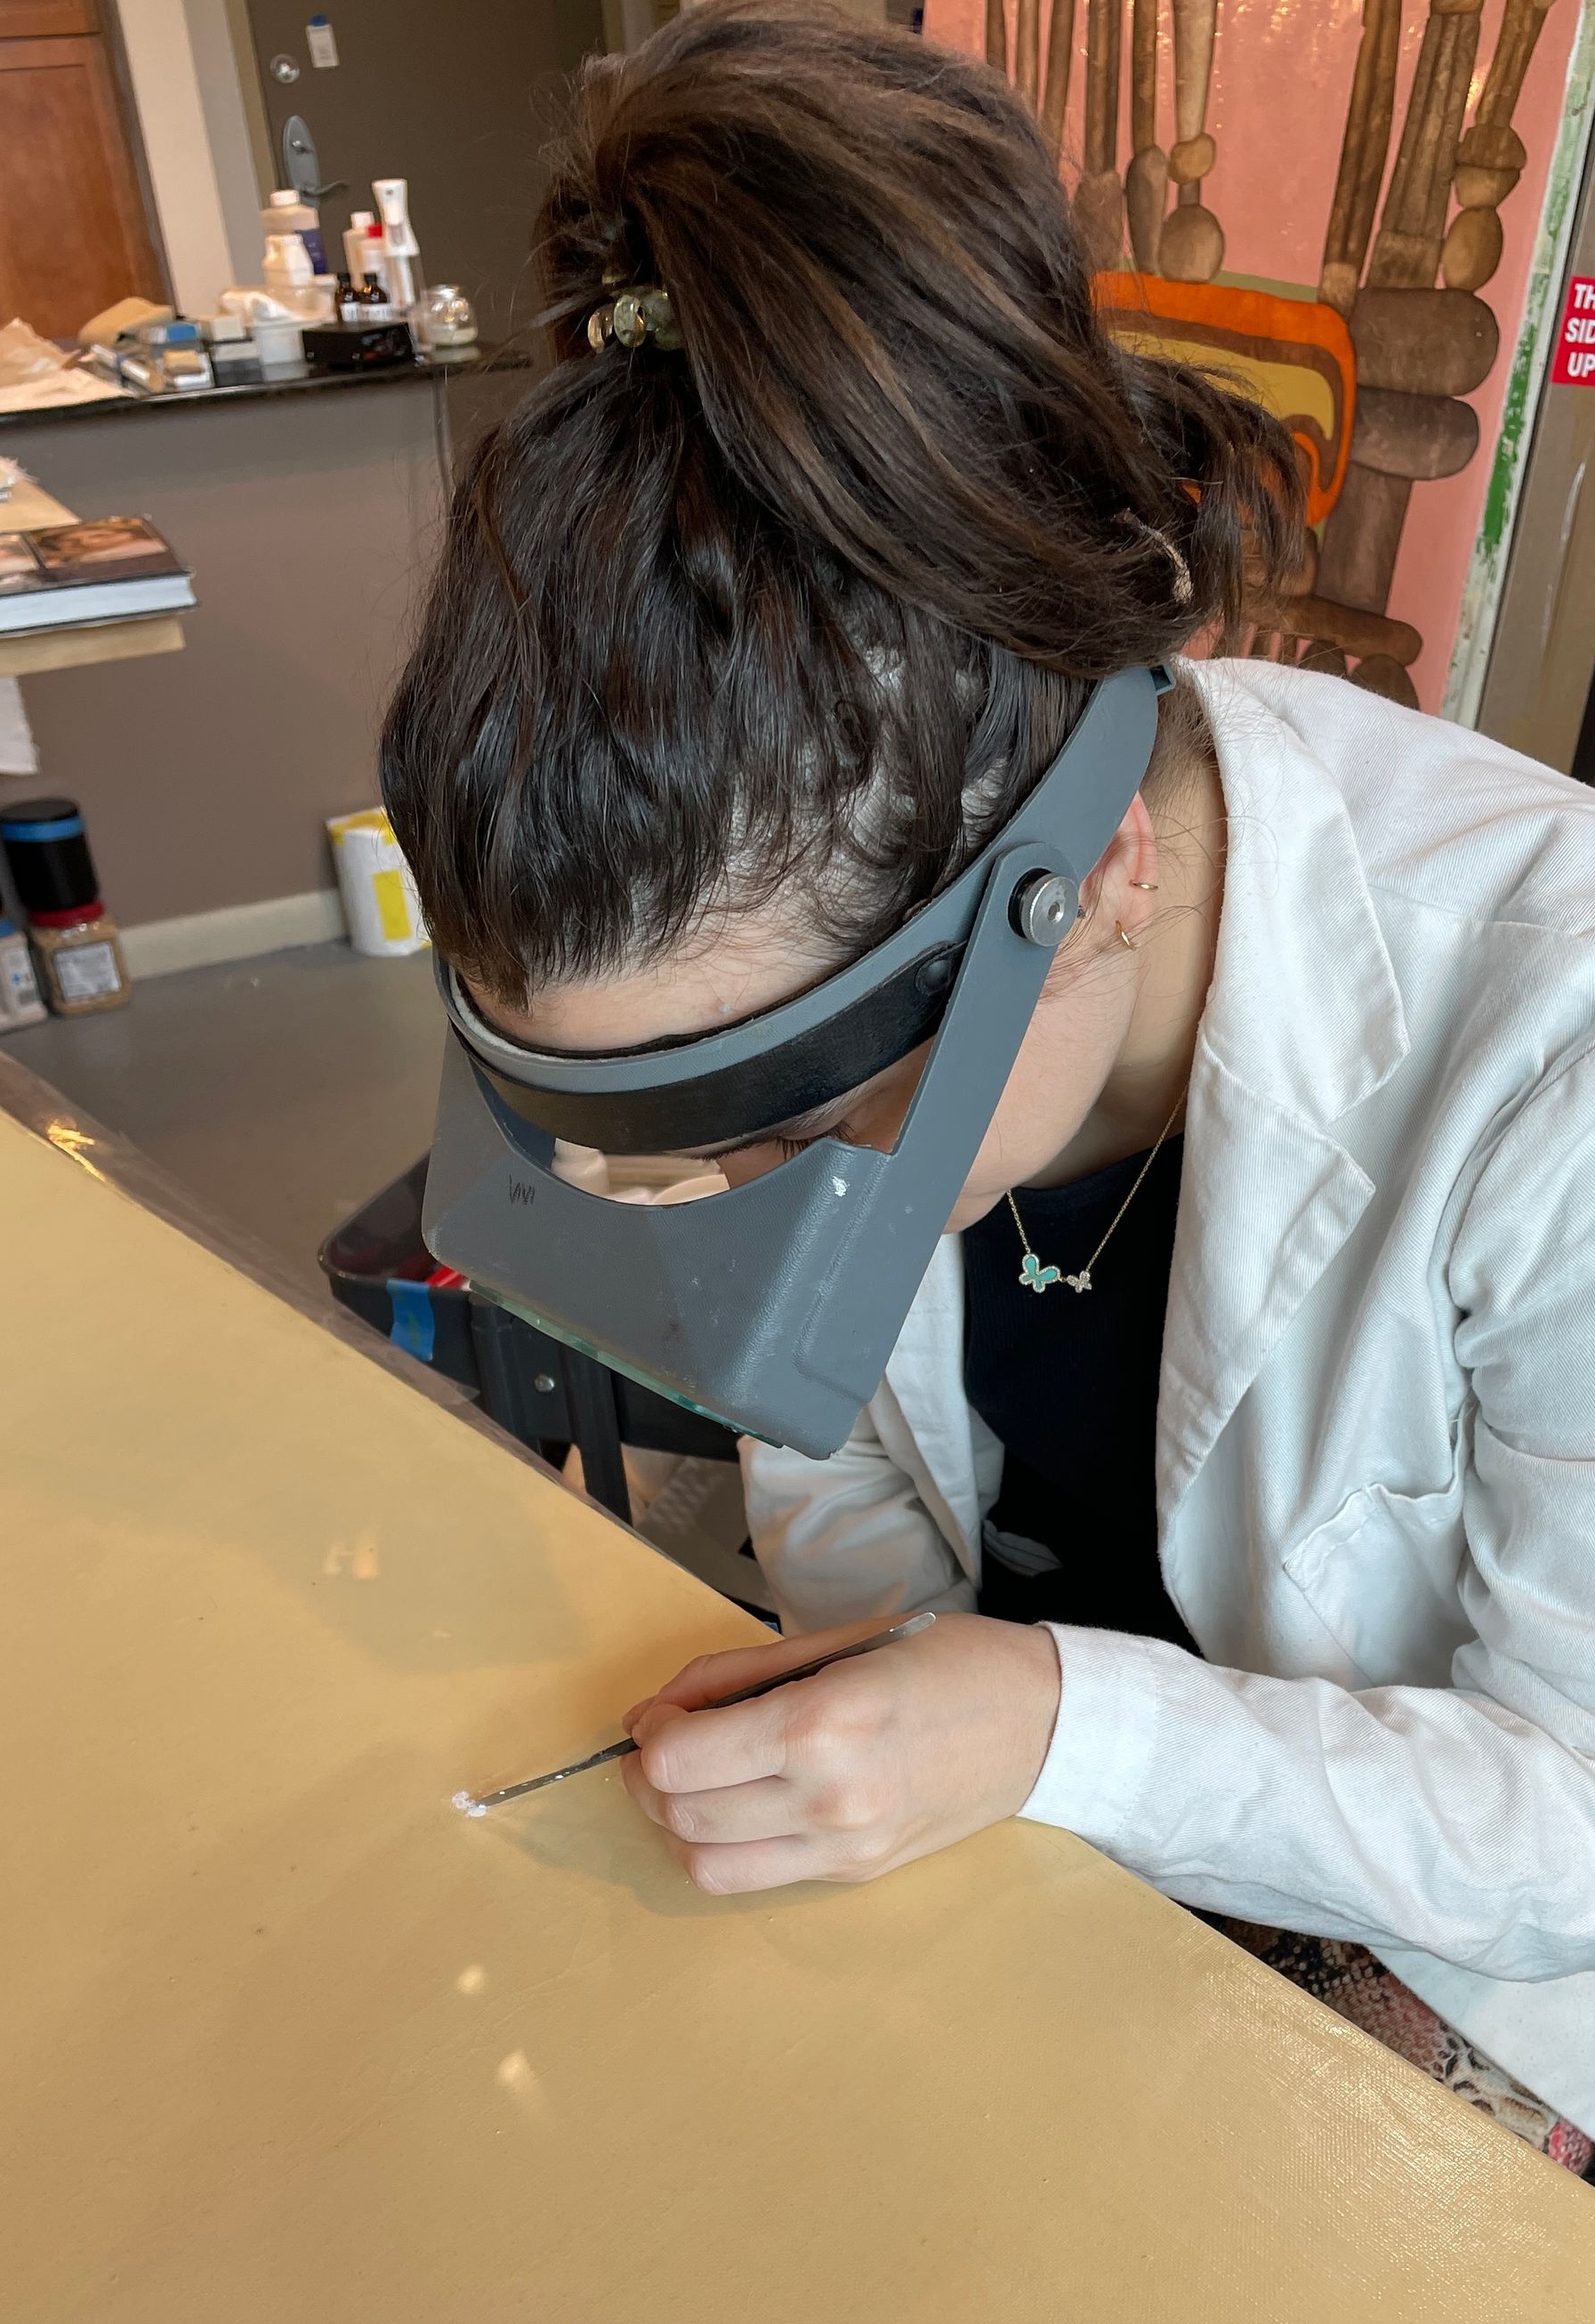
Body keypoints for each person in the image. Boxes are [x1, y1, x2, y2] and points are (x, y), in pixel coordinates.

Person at [383, 3, 1595, 2171]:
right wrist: (895, 1689)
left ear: (1096, 869)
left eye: (783, 1130)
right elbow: (844, 1471)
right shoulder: (882, 974)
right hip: (1038, 1867)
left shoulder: (1550, 1038)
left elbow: (1570, 1824)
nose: (709, 1215)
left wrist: (1050, 1728)